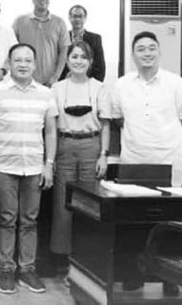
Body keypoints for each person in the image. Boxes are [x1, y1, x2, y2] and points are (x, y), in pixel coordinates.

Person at [0, 43, 58, 294]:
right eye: (18, 60)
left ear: (35, 64)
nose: (23, 64)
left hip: (34, 166)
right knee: (7, 219)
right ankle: (7, 269)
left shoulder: (46, 94)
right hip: (5, 165)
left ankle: (27, 269)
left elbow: (50, 130)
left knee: (29, 221)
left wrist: (49, 165)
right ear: (10, 62)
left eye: (28, 60)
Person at [49, 41, 110, 276]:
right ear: (67, 61)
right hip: (64, 145)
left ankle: (86, 259)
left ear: (91, 62)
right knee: (63, 204)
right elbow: (51, 127)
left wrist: (103, 155)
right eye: (74, 56)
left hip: (91, 146)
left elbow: (105, 125)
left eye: (83, 57)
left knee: (89, 204)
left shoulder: (99, 88)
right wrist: (51, 159)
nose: (78, 61)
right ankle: (63, 260)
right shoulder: (57, 88)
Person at [111, 31, 182, 187]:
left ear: (159, 52)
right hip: (133, 160)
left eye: (152, 48)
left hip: (171, 160)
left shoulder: (177, 83)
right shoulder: (121, 85)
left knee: (172, 209)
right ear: (133, 55)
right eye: (141, 49)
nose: (147, 53)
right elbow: (118, 118)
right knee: (133, 209)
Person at [12, 0, 69, 87]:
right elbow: (11, 50)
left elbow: (64, 52)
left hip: (50, 82)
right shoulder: (19, 21)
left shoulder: (59, 22)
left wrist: (56, 77)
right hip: (24, 81)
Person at [58, 5, 105, 82]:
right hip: (65, 83)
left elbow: (100, 67)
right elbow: (58, 62)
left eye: (80, 16)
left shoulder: (95, 39)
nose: (77, 19)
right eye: (74, 16)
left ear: (85, 18)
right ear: (69, 18)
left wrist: (93, 85)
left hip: (88, 84)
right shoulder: (62, 37)